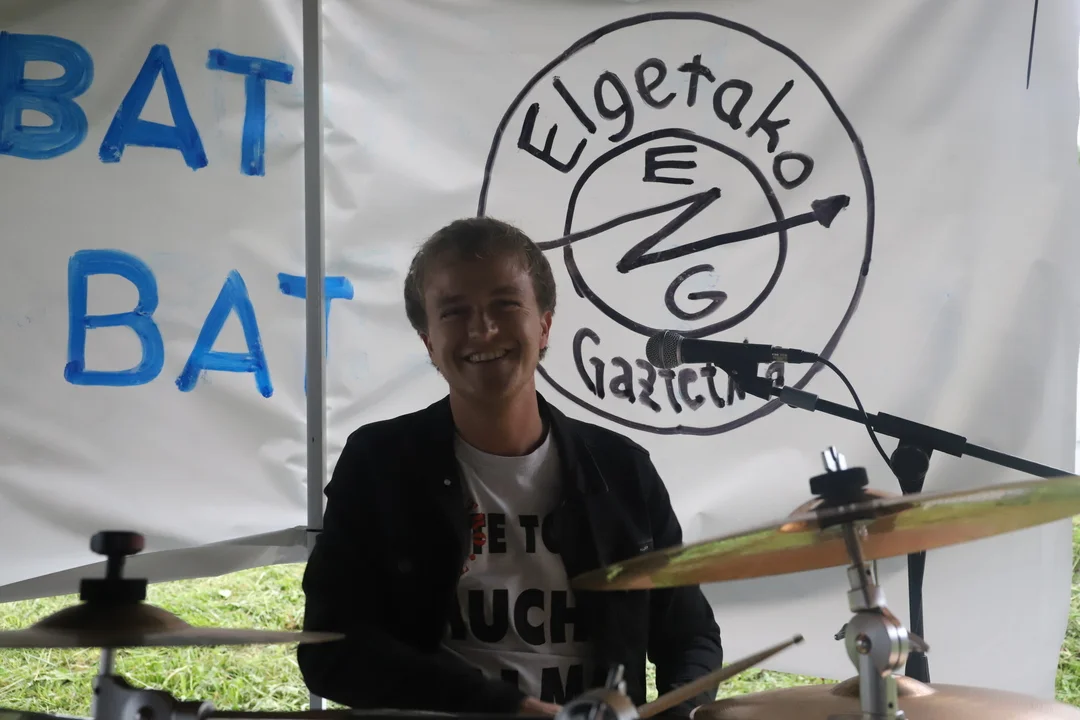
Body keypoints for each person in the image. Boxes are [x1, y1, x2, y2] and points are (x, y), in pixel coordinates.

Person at [298, 217, 723, 717]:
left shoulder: (621, 469)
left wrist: (678, 712)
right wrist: (507, 708)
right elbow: (331, 650)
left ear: (544, 325)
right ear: (429, 341)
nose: (483, 330)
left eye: (505, 304)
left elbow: (691, 637)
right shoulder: (379, 463)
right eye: (455, 312)